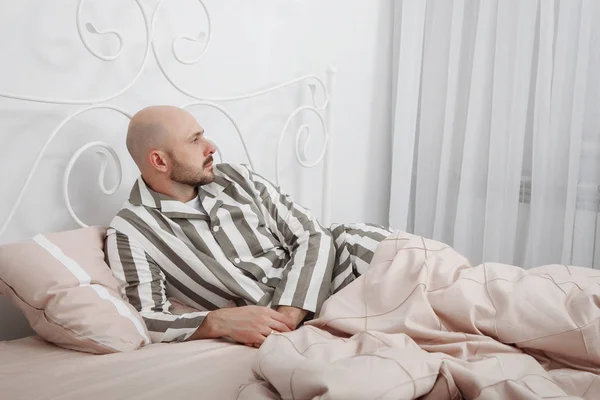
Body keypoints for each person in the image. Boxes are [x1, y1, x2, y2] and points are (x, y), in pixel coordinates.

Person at [104, 105, 392, 347]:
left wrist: (289, 314)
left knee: (425, 274)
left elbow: (312, 234)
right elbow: (147, 317)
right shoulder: (131, 232)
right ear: (159, 161)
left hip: (349, 264)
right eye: (194, 141)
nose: (211, 147)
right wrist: (216, 322)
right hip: (320, 324)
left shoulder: (237, 178)